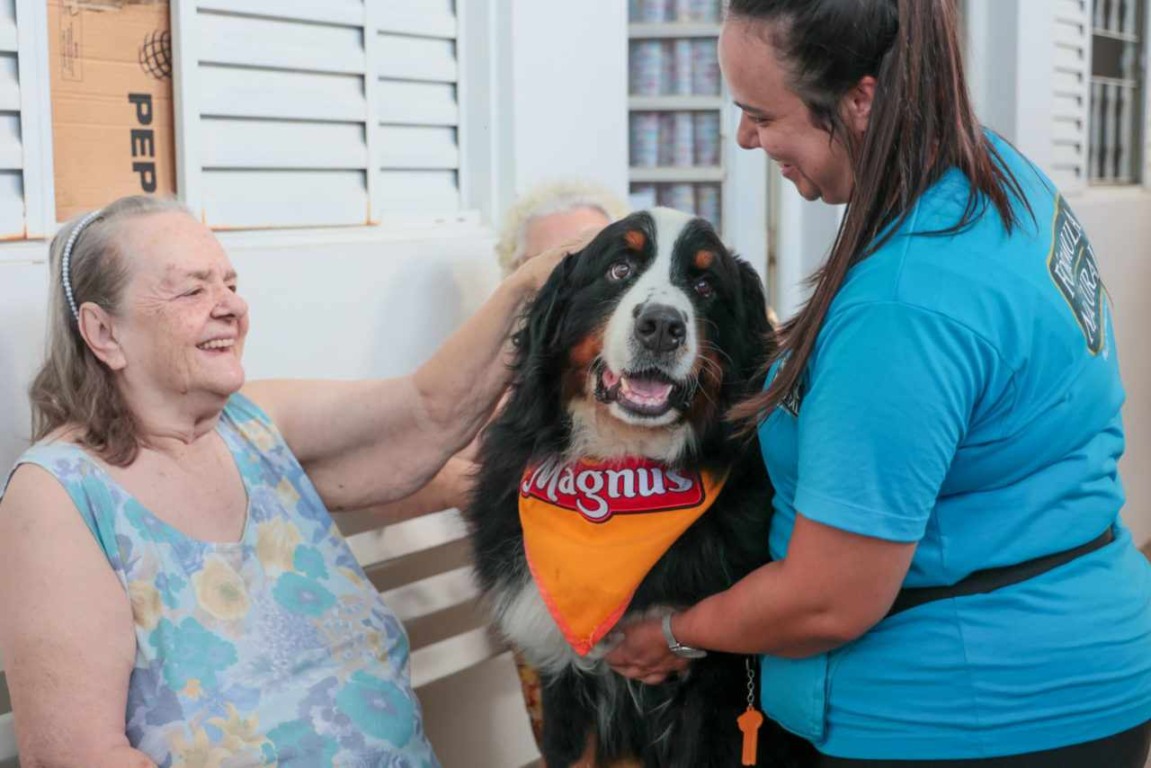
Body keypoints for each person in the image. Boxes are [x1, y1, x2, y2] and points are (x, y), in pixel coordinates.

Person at [605, 2, 1151, 767]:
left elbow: (828, 598)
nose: (744, 139)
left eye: (762, 115)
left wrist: (672, 632)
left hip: (967, 716)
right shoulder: (992, 176)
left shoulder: (905, 303)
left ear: (859, 99)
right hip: (1081, 656)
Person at [0, 195, 567, 767]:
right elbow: (77, 757)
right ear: (103, 332)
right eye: (193, 290)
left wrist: (533, 288)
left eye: (229, 283)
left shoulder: (253, 423)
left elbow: (427, 411)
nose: (232, 307)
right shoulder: (58, 496)